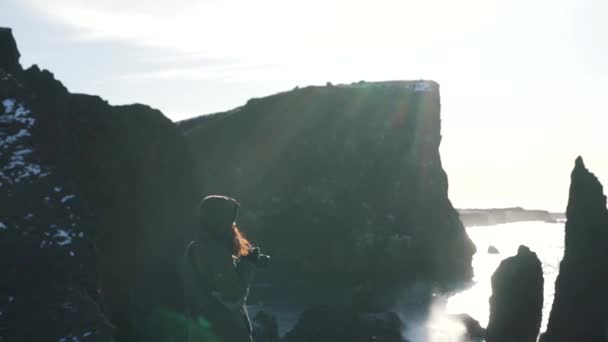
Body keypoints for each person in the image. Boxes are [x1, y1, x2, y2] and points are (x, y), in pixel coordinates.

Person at [181, 195, 267, 342]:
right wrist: (248, 264)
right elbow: (233, 297)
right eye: (229, 220)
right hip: (223, 332)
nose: (232, 225)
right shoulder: (213, 252)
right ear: (218, 220)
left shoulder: (195, 248)